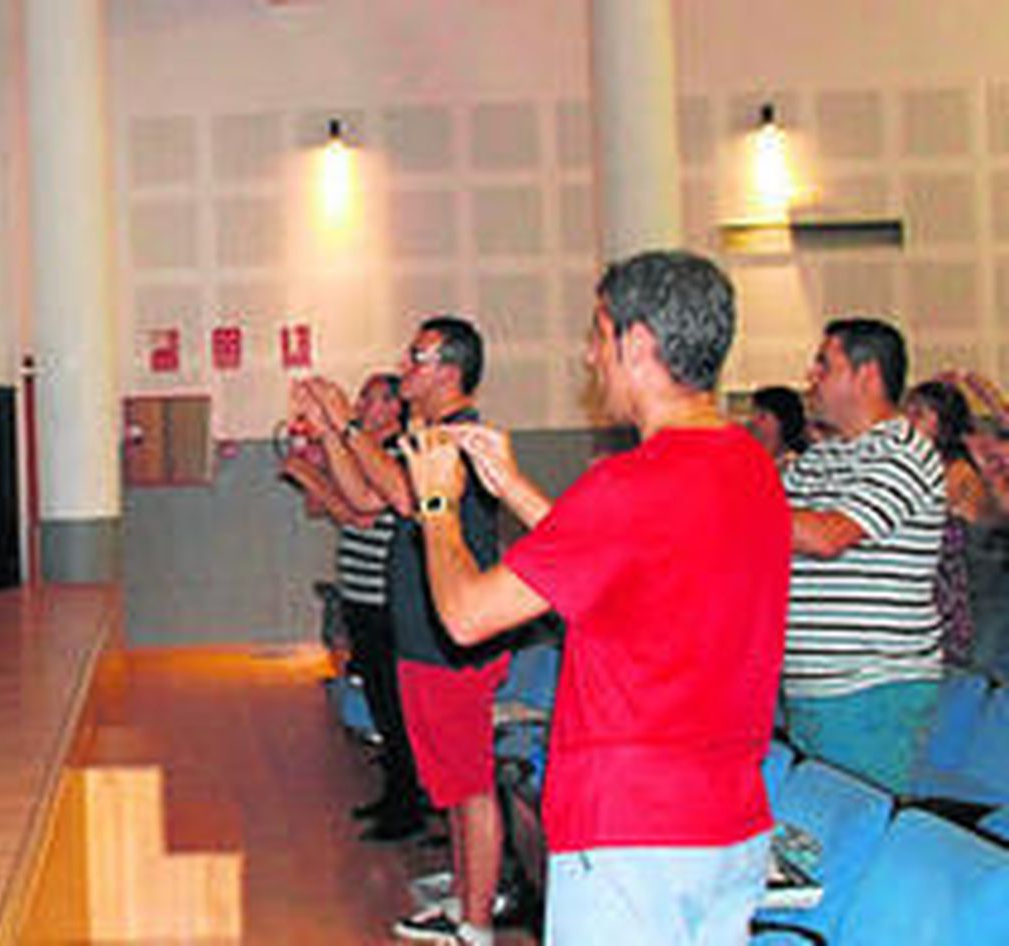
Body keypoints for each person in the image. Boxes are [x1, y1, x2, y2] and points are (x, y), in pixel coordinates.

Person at [399, 251, 789, 946]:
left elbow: (465, 615)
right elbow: (622, 567)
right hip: (730, 827)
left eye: (598, 334)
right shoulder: (750, 468)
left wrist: (436, 504)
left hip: (631, 836)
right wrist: (513, 485)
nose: (589, 356)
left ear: (637, 344)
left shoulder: (628, 486)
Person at [295, 317, 508, 946]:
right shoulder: (430, 433)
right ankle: (466, 897)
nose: (406, 366)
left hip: (453, 637)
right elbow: (372, 494)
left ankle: (477, 920)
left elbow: (408, 498)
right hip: (423, 630)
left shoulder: (465, 435)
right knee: (453, 782)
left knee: (471, 786)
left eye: (417, 357)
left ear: (450, 368)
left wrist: (350, 425)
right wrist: (338, 429)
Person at [782, 319, 945, 793]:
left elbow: (831, 535)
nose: (811, 376)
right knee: (816, 838)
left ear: (866, 375)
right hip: (812, 687)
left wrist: (731, 494)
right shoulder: (820, 459)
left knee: (852, 839)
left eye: (824, 364)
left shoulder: (905, 454)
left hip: (872, 690)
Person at [280, 373, 426, 838]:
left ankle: (407, 807)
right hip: (362, 596)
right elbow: (330, 507)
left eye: (369, 397)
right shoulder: (366, 454)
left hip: (385, 601)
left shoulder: (396, 454)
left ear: (392, 408)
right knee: (383, 707)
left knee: (396, 710)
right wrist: (320, 457)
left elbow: (359, 512)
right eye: (359, 395)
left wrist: (311, 472)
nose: (361, 404)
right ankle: (394, 797)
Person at [904, 379, 991, 665]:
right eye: (906, 412)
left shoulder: (957, 472)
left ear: (944, 423)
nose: (906, 423)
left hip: (969, 602)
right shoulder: (924, 467)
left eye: (918, 414)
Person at [747, 385, 809, 469]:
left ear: (782, 421)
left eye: (762, 416)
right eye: (753, 414)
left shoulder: (797, 468)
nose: (752, 421)